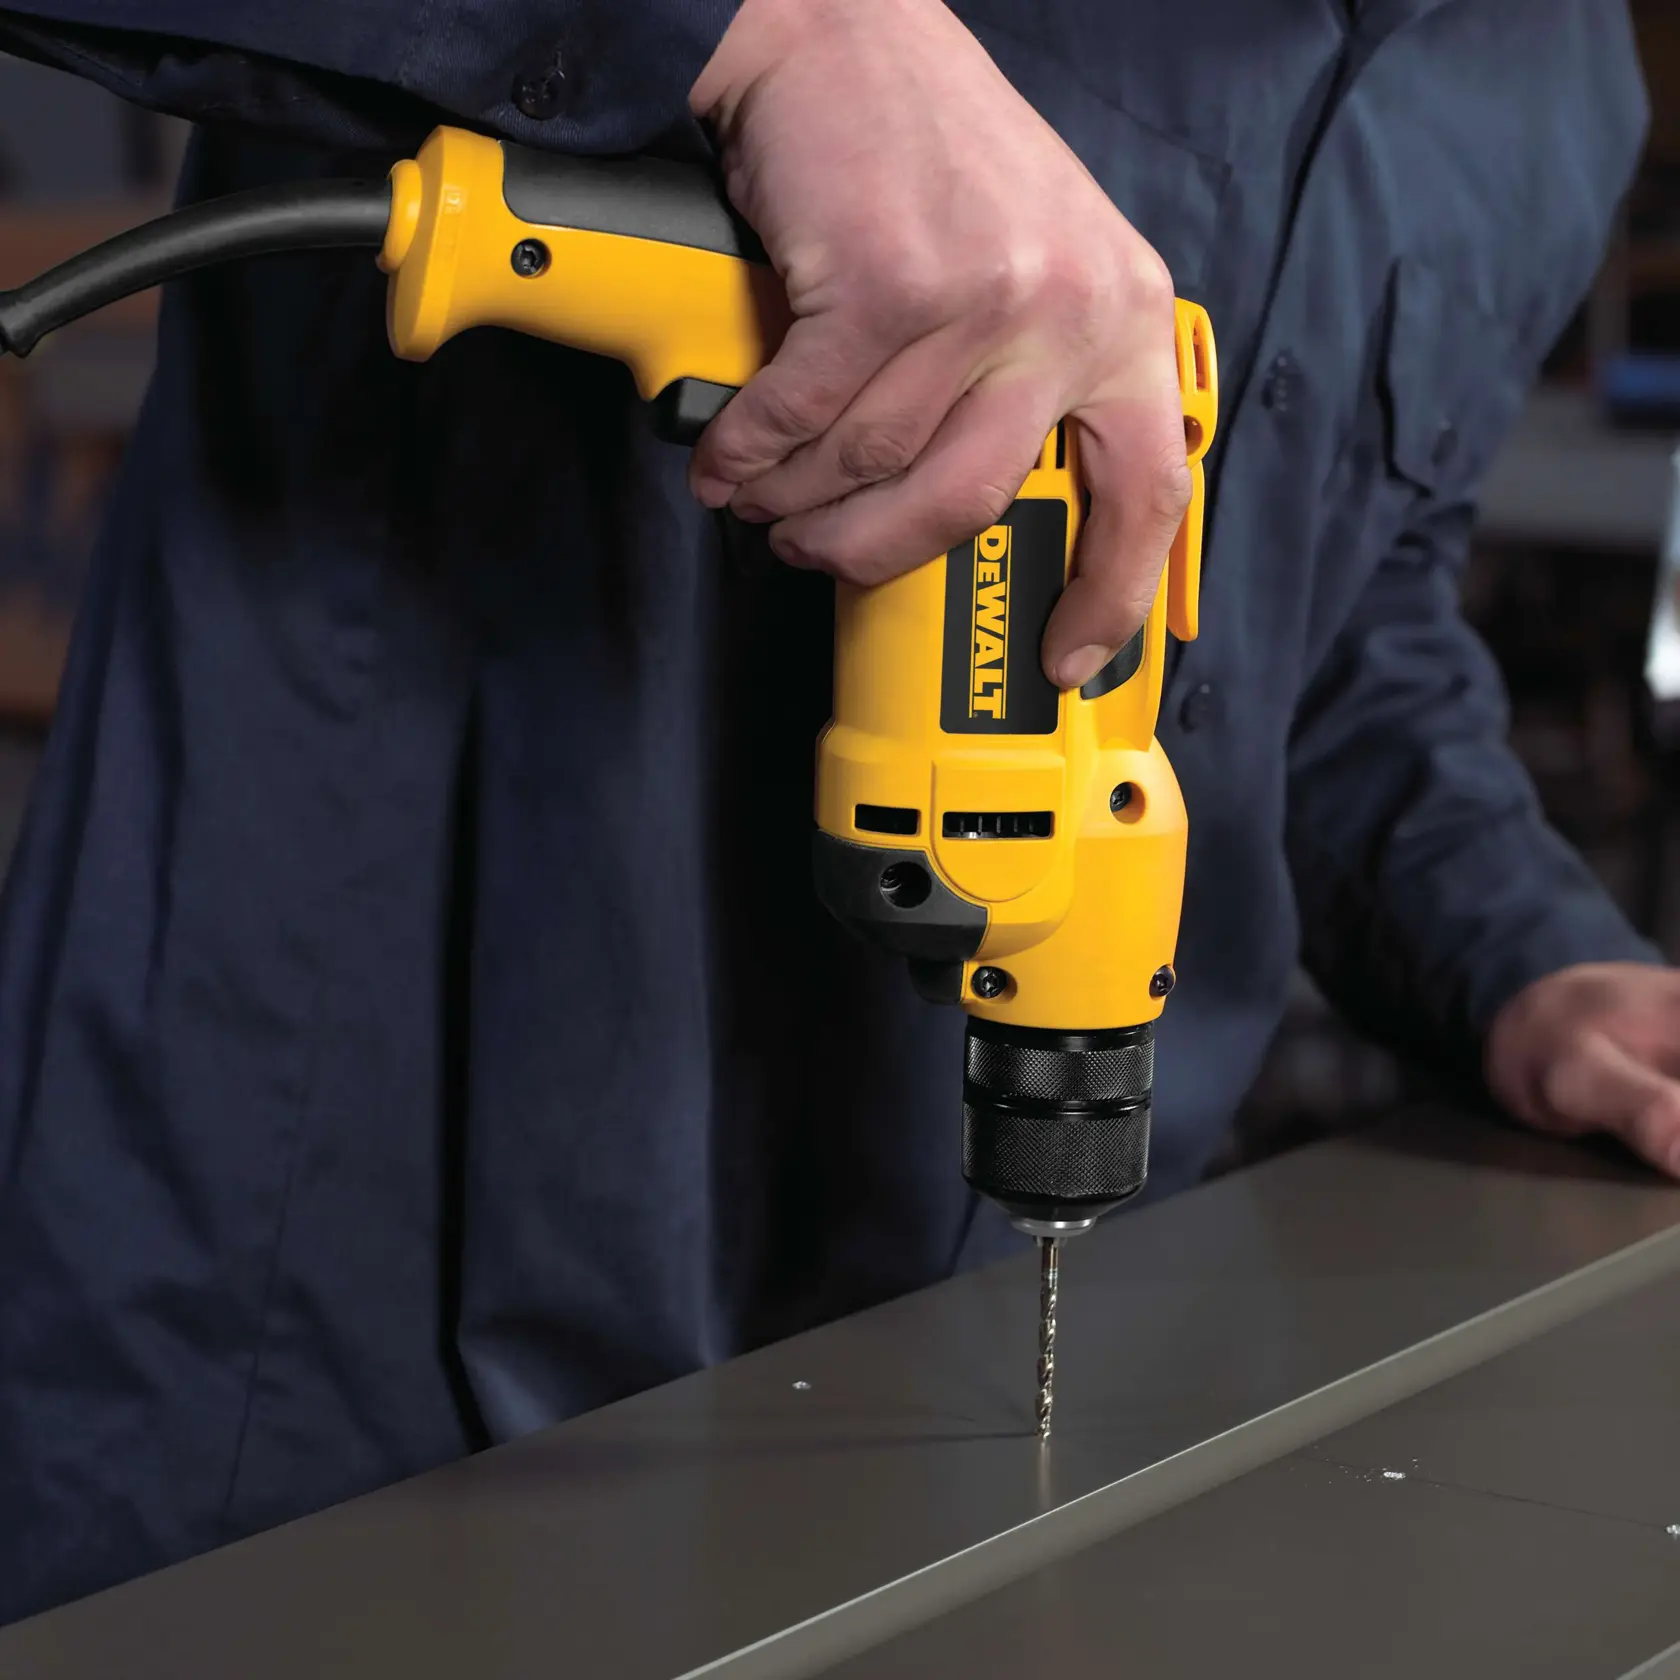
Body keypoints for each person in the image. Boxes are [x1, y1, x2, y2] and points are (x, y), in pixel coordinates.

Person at [0, 0, 1669, 1627]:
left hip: (1011, 1349)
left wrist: (1528, 954)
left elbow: (1335, 627)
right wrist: (759, 31)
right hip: (338, 1278)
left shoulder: (1558, 87)